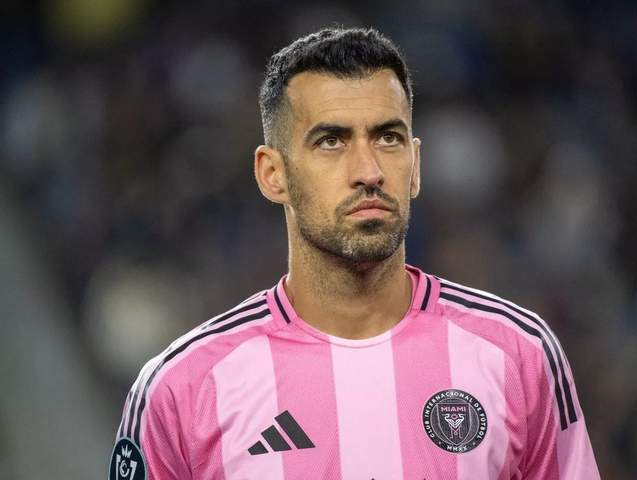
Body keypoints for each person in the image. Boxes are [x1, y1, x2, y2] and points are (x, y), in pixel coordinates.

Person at [109, 27, 600, 480]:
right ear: (273, 175)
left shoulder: (519, 356)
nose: (368, 170)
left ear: (415, 165)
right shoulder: (182, 390)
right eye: (331, 141)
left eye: (388, 138)